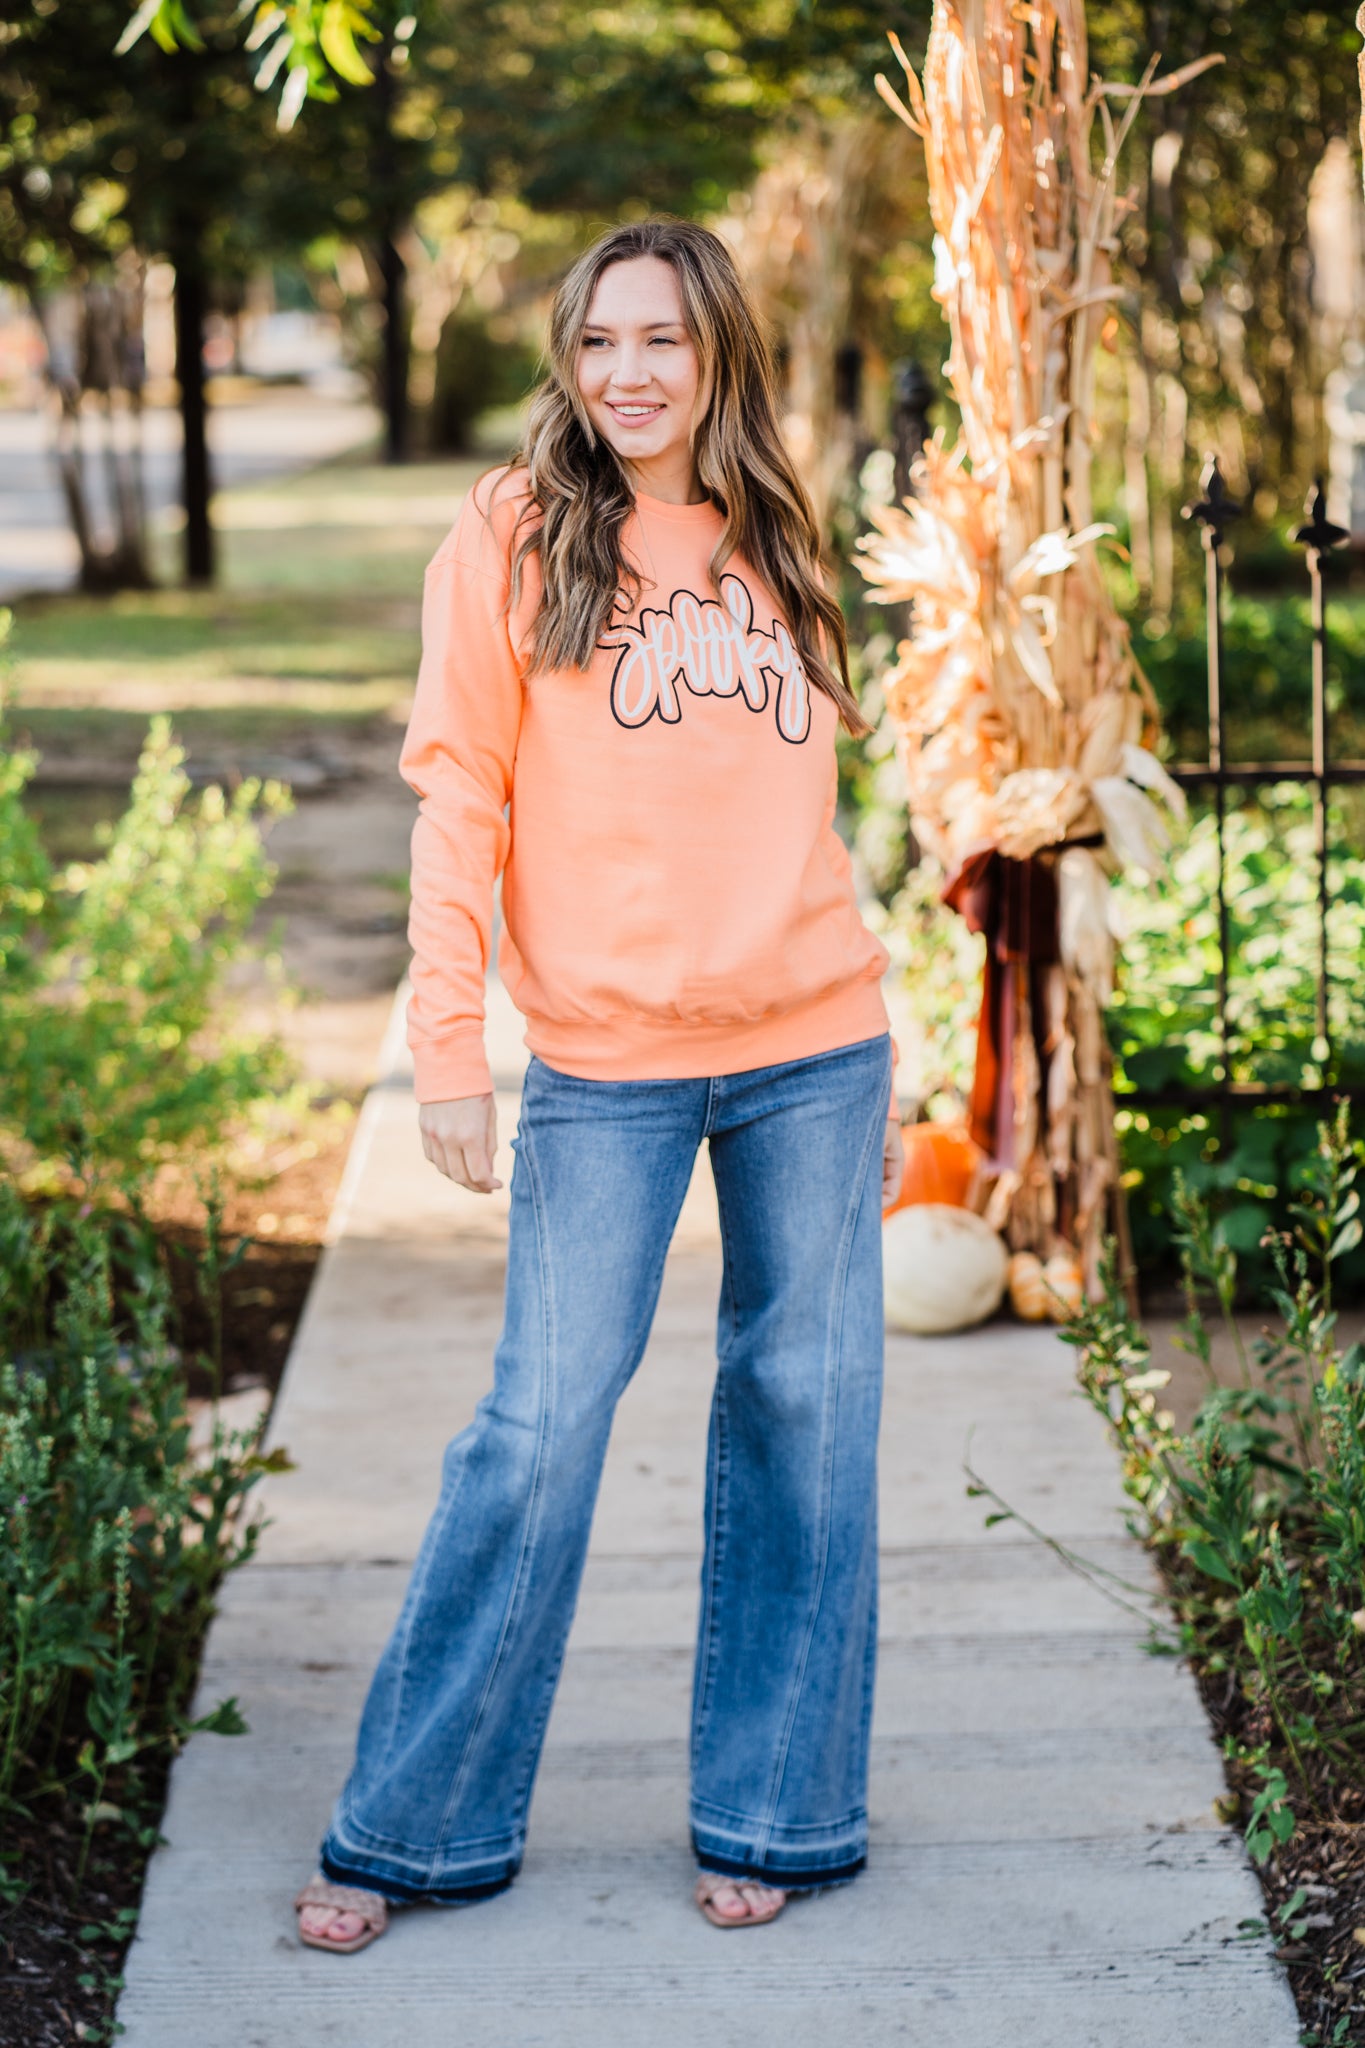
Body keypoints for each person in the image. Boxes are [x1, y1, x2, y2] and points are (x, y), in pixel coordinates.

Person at [293, 215, 903, 1953]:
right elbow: (458, 801)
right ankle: (413, 1828)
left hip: (814, 1050)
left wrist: (888, 1051)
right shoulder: (509, 531)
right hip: (609, 1067)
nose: (626, 375)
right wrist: (449, 1050)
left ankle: (778, 1809)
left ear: (717, 354)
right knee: (538, 1430)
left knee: (806, 1422)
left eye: (662, 342)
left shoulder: (784, 532)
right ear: (566, 358)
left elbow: (795, 819)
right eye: (596, 342)